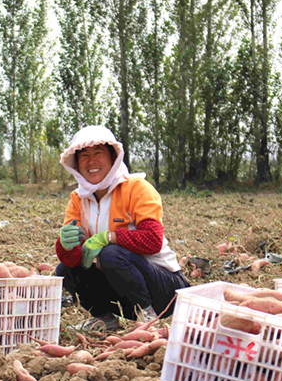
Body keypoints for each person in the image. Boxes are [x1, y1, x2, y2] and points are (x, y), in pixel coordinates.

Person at [55, 125, 189, 332]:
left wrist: (108, 237)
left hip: (164, 289)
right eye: (84, 156)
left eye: (98, 153)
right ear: (76, 164)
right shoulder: (78, 199)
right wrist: (65, 245)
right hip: (123, 293)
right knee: (65, 269)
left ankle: (147, 317)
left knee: (111, 253)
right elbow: (73, 259)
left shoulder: (136, 188)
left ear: (113, 158)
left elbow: (153, 240)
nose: (91, 162)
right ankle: (104, 318)